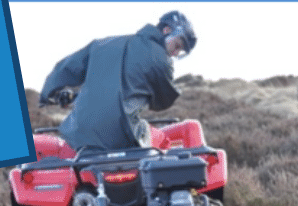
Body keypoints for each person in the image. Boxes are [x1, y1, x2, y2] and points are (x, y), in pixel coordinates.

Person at [38, 11, 196, 152]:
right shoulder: (162, 60)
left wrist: (48, 95)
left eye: (179, 52)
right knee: (162, 140)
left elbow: (65, 68)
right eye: (177, 46)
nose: (175, 54)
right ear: (167, 30)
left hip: (79, 135)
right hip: (123, 136)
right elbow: (162, 102)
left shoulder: (101, 45)